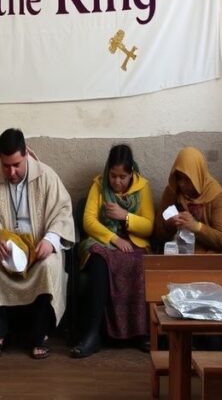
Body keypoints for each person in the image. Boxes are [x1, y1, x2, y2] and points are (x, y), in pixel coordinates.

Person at [0, 128, 75, 360]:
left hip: (39, 247)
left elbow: (63, 212)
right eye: (6, 165)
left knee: (49, 267)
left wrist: (50, 240)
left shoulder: (46, 176)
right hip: (5, 252)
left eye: (16, 164)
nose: (11, 171)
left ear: (26, 154)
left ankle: (40, 336)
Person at [71, 144, 154, 359]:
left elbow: (149, 226)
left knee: (139, 263)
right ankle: (93, 334)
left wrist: (125, 216)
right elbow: (88, 221)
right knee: (99, 260)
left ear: (131, 173)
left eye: (123, 177)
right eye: (113, 176)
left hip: (133, 242)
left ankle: (142, 333)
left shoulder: (142, 187)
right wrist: (113, 238)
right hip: (104, 239)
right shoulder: (99, 185)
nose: (117, 182)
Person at [154, 147, 222, 254]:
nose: (182, 184)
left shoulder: (216, 195)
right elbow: (158, 234)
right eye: (179, 178)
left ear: (197, 176)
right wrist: (169, 224)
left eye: (187, 179)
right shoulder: (172, 190)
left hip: (207, 254)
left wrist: (196, 226)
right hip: (178, 252)